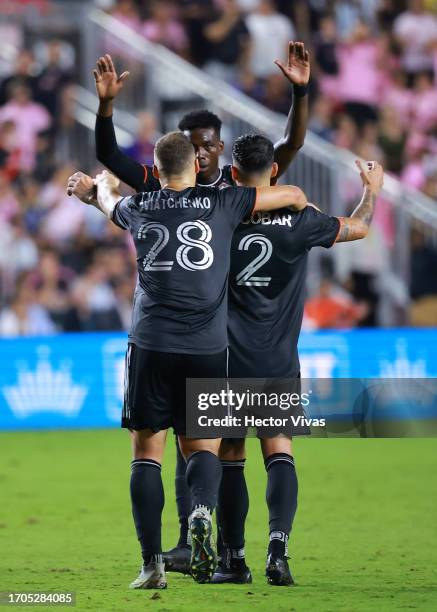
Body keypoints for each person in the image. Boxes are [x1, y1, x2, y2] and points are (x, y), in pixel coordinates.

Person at [92, 44, 310, 573]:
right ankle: (207, 547)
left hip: (231, 341)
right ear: (185, 152)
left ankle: (226, 547)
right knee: (204, 451)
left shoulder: (238, 184)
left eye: (211, 146)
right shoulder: (186, 185)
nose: (205, 154)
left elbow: (289, 146)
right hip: (207, 341)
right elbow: (116, 165)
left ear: (220, 149)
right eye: (197, 147)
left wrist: (300, 94)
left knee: (213, 451)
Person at [211, 134, 384, 585]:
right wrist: (371, 191)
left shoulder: (219, 216)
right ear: (274, 172)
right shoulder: (301, 221)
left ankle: (232, 560)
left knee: (230, 455)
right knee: (279, 451)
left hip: (224, 359)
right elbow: (358, 226)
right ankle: (279, 552)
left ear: (232, 175)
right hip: (278, 360)